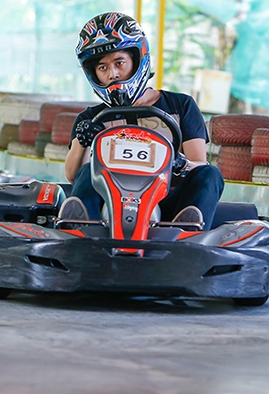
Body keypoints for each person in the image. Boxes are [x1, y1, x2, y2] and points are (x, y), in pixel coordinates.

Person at [60, 11, 225, 230]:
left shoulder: (180, 105)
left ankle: (188, 231)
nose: (112, 74)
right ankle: (80, 229)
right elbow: (73, 175)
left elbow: (198, 164)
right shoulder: (91, 119)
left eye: (119, 63)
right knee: (87, 171)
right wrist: (83, 141)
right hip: (109, 204)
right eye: (103, 67)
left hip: (167, 204)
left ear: (137, 60)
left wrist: (177, 163)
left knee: (210, 174)